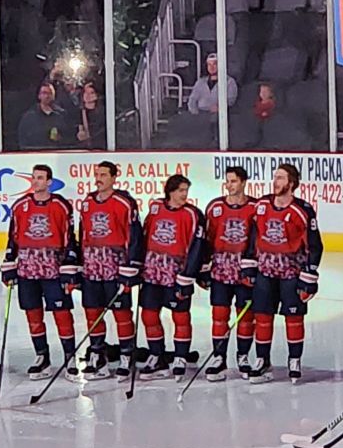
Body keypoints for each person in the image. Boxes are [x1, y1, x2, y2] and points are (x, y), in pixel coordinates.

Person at [1, 164, 79, 380]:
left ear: (49, 182)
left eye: (41, 178)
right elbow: (13, 238)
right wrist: (9, 264)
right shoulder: (20, 206)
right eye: (34, 177)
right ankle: (41, 356)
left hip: (53, 269)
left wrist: (69, 266)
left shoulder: (61, 206)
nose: (36, 181)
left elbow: (69, 237)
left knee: (61, 313)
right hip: (27, 269)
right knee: (33, 314)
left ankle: (70, 357)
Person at [249, 163, 323, 383]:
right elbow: (252, 235)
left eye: (280, 178)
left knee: (293, 317)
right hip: (265, 270)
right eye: (275, 177)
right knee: (262, 316)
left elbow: (315, 244)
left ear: (291, 183)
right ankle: (263, 360)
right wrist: (249, 264)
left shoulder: (303, 210)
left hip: (292, 272)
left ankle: (294, 359)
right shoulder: (261, 205)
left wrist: (309, 276)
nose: (275, 181)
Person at [78, 161, 143, 380]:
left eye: (104, 174)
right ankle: (98, 354)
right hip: (92, 267)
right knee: (92, 312)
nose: (99, 178)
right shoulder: (87, 203)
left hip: (116, 267)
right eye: (97, 174)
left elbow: (134, 236)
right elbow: (82, 234)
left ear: (114, 177)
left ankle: (126, 355)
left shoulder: (124, 202)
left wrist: (131, 266)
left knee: (121, 313)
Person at [136, 174, 206, 380]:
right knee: (148, 314)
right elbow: (145, 234)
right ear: (170, 191)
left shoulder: (193, 214)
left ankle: (181, 356)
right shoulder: (156, 207)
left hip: (177, 272)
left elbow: (197, 246)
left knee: (180, 316)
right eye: (181, 190)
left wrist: (188, 276)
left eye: (186, 190)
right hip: (153, 271)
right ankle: (156, 355)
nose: (184, 194)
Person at [202, 165, 259, 380]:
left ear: (243, 182)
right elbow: (207, 239)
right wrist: (204, 270)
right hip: (220, 270)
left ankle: (243, 356)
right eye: (227, 181)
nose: (229, 185)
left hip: (245, 271)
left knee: (245, 318)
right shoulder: (215, 207)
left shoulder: (256, 207)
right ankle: (219, 357)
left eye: (234, 181)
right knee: (219, 316)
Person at [18, 82, 68, 151]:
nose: (47, 96)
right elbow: (22, 140)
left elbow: (69, 137)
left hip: (57, 155)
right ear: (39, 96)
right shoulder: (29, 117)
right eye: (44, 93)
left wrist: (60, 138)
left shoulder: (62, 115)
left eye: (50, 93)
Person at [76, 81, 106, 150]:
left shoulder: (103, 113)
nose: (87, 95)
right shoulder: (78, 112)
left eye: (91, 93)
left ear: (97, 95)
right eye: (85, 92)